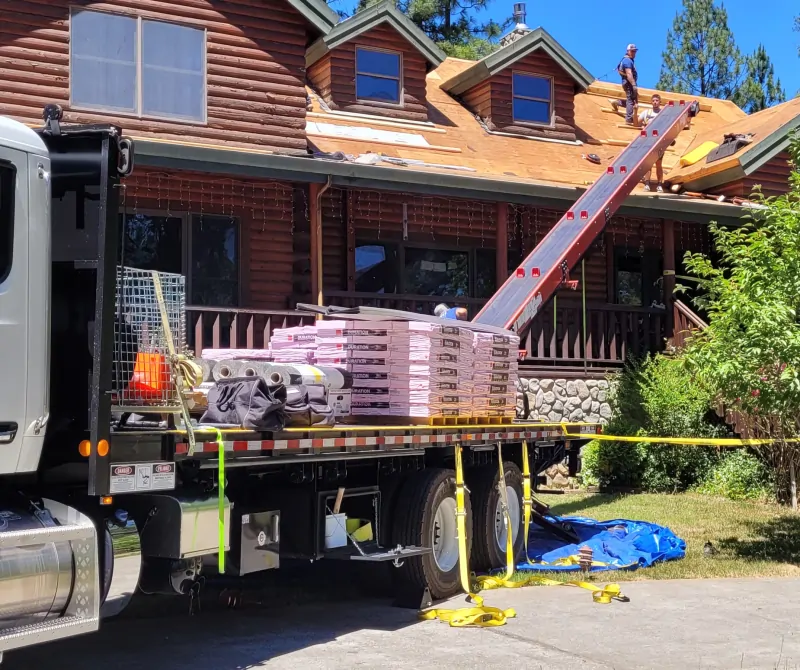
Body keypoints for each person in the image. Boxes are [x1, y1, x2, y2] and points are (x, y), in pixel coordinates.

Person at [639, 94, 664, 192]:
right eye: (653, 100)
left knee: (658, 163)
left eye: (657, 100)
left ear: (660, 102)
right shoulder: (647, 113)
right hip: (648, 141)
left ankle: (659, 185)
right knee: (648, 164)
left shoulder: (663, 113)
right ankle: (647, 184)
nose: (655, 102)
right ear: (651, 102)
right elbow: (637, 122)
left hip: (659, 142)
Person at [611, 44, 639, 125]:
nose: (634, 53)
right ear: (628, 51)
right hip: (629, 83)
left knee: (631, 101)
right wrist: (633, 85)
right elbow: (629, 74)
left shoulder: (627, 60)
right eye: (632, 51)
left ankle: (617, 102)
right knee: (630, 100)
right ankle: (629, 119)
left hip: (627, 83)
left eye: (635, 51)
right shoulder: (627, 61)